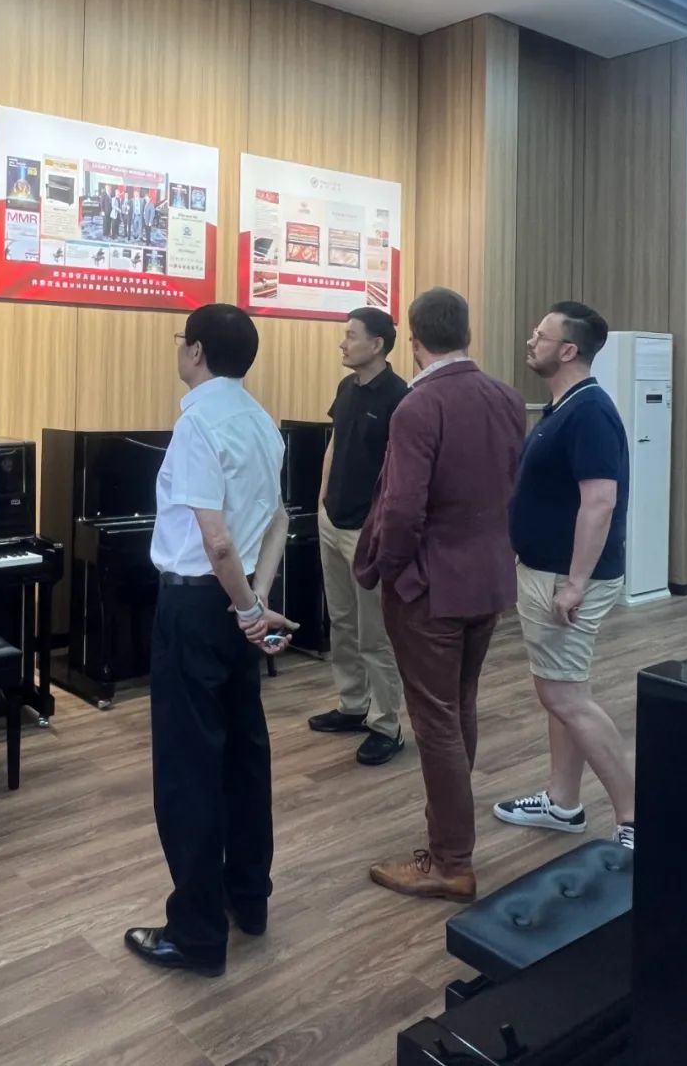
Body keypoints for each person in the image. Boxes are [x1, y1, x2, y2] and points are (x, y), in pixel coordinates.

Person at [125, 304, 296, 977]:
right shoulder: (261, 421)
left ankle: (196, 934)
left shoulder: (198, 420)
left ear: (195, 351)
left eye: (181, 341)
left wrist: (248, 606)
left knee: (189, 769)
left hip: (198, 607)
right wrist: (256, 603)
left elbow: (215, 537)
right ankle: (248, 899)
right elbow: (278, 519)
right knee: (244, 756)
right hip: (235, 605)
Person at [355, 288, 525, 901]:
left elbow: (402, 509)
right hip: (488, 579)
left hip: (429, 586)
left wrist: (391, 569)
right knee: (459, 708)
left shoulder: (418, 405)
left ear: (414, 339)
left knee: (436, 722)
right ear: (467, 334)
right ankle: (451, 840)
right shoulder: (507, 397)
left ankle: (451, 859)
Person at [497, 302, 634, 849]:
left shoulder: (589, 412)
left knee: (566, 697)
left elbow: (599, 502)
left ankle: (636, 819)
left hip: (566, 580)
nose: (531, 341)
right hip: (549, 572)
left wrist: (574, 583)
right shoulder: (564, 407)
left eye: (541, 335)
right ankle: (562, 801)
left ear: (569, 350)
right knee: (563, 692)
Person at [308, 308, 408, 766]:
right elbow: (334, 443)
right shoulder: (346, 388)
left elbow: (401, 470)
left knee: (375, 633)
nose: (343, 343)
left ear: (377, 344)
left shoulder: (399, 397)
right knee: (342, 623)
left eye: (351, 336)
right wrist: (321, 499)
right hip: (332, 521)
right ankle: (352, 704)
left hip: (368, 532)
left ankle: (386, 724)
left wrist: (379, 524)